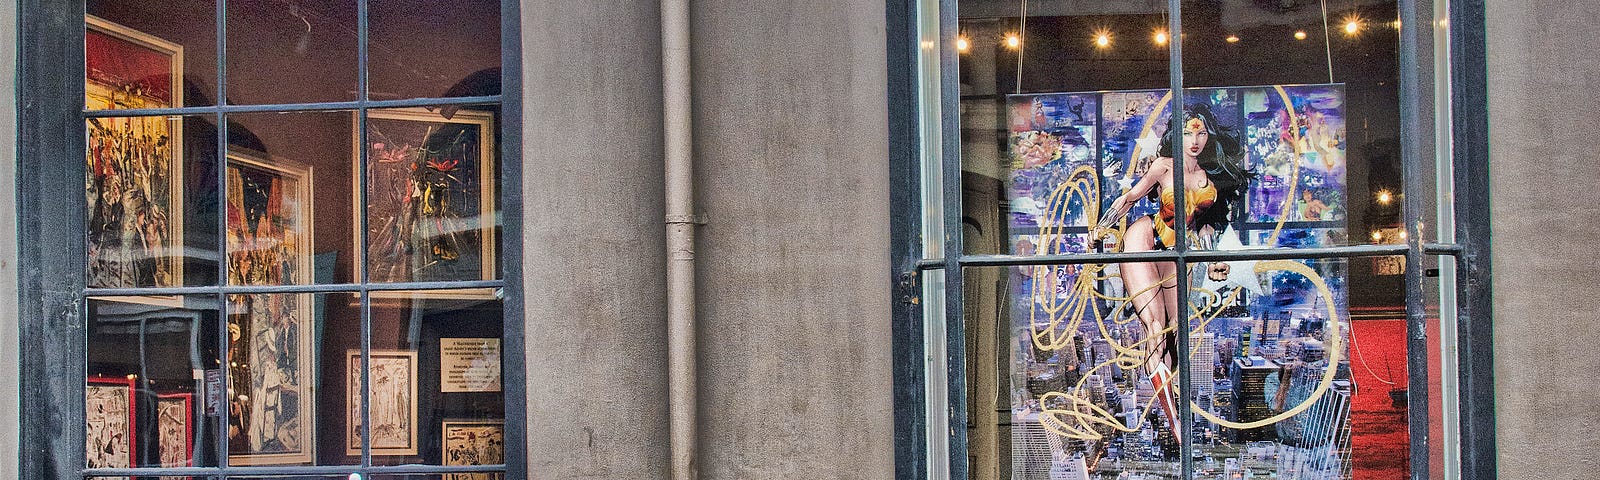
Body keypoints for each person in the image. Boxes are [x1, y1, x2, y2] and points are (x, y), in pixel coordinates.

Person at [1089, 103, 1252, 434]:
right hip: (1146, 236)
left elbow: (1205, 229)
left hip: (1178, 253)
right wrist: (1102, 227)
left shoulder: (1210, 179)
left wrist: (1214, 262)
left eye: (1201, 133)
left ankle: (1172, 403)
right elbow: (1130, 198)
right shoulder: (1164, 167)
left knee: (1175, 329)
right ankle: (1174, 420)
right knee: (1154, 326)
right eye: (1188, 133)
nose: (1194, 140)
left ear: (1208, 137)